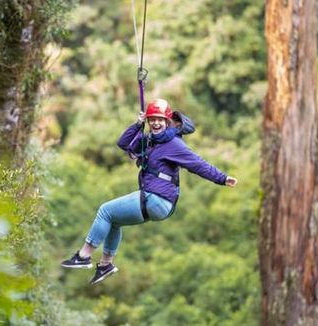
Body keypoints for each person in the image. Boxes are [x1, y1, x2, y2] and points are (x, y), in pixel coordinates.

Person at [61, 98, 238, 285]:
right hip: (156, 201)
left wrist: (222, 178)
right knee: (114, 221)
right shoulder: (150, 141)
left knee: (105, 210)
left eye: (160, 119)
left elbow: (198, 164)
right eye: (152, 119)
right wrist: (138, 124)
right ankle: (106, 265)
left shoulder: (174, 144)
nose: (155, 123)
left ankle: (83, 256)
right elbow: (123, 143)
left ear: (167, 121)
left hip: (157, 199)